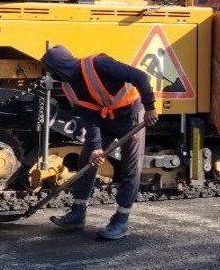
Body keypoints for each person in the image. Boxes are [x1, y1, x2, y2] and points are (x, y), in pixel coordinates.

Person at [41, 45, 159, 240]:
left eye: (52, 71)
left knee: (130, 167)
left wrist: (150, 107)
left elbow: (140, 77)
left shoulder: (99, 64)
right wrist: (96, 146)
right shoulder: (68, 86)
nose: (52, 76)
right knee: (88, 159)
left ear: (60, 67)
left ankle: (121, 219)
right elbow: (88, 116)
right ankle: (78, 213)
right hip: (104, 119)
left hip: (130, 115)